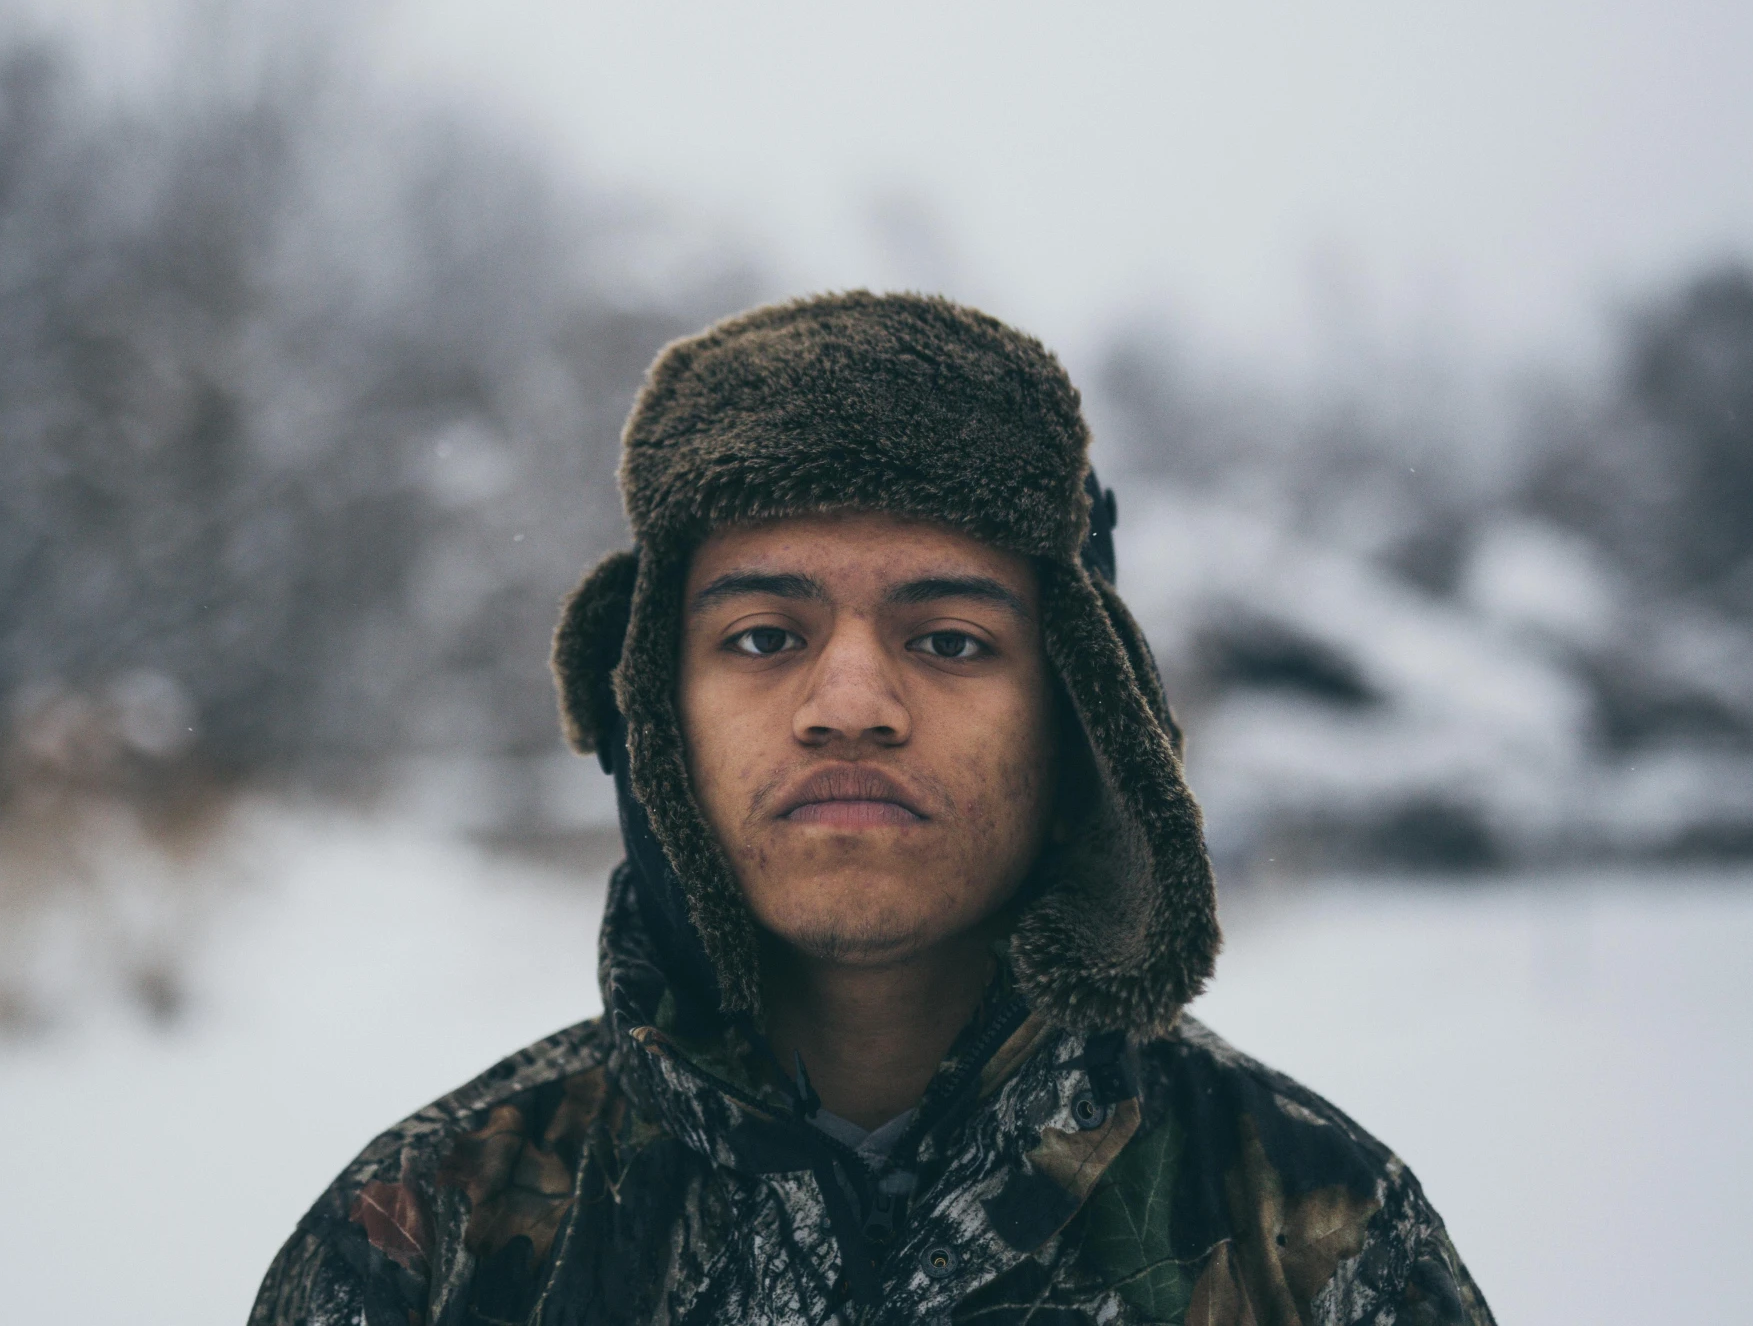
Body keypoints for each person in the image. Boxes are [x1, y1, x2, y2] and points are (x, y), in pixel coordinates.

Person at [250, 293, 1492, 1325]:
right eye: (761, 635)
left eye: (949, 638)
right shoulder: (427, 1241)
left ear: (1077, 711)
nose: (850, 702)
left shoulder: (1316, 1237)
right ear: (658, 717)